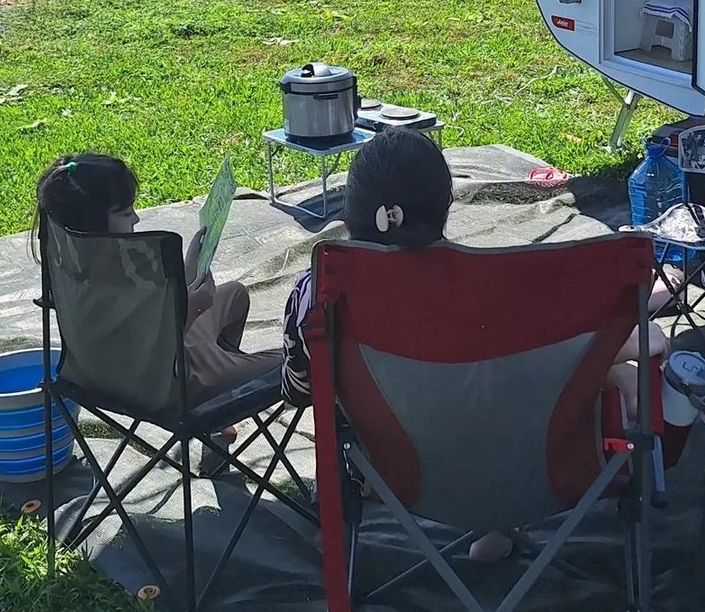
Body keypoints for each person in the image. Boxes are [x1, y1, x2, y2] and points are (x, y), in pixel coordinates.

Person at [282, 128, 668, 562]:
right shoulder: (502, 294)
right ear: (445, 206)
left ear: (351, 213)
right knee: (524, 377)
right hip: (537, 474)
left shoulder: (317, 295)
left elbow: (299, 390)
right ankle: (498, 527)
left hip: (397, 480)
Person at [34, 153, 279, 411]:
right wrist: (192, 308)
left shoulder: (75, 268)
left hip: (118, 370)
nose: (136, 219)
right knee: (295, 362)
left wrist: (190, 267)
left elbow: (158, 322)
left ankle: (223, 371)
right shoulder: (115, 287)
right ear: (95, 221)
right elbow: (151, 350)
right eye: (126, 213)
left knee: (234, 294)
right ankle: (218, 403)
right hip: (166, 386)